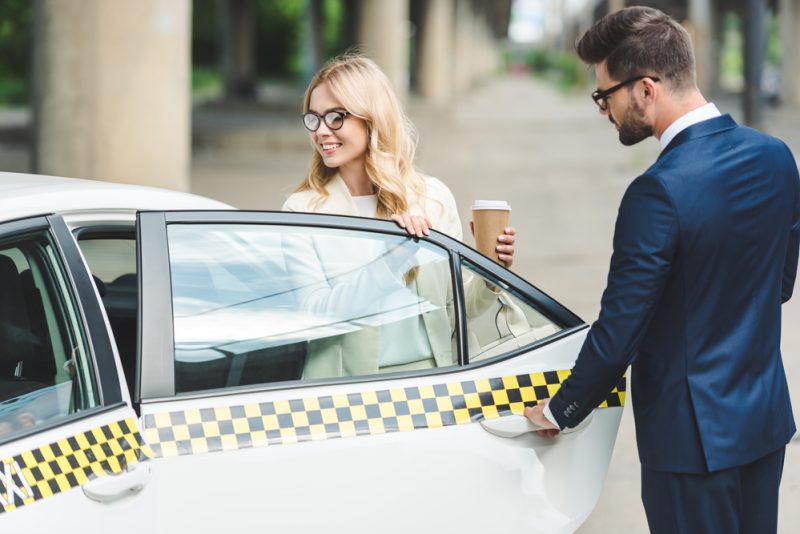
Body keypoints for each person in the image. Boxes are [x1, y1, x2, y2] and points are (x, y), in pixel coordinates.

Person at [524, 7, 799, 534]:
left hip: (689, 444)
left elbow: (621, 329)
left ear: (646, 88)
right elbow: (778, 286)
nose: (603, 110)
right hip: (763, 425)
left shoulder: (657, 192)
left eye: (605, 95)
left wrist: (561, 410)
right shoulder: (777, 158)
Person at [282, 54, 520, 378]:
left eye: (335, 117)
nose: (321, 131)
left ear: (372, 117)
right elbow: (314, 315)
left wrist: (492, 270)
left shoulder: (432, 198)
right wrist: (389, 262)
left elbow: (455, 310)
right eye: (313, 119)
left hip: (437, 381)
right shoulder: (302, 209)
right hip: (345, 391)